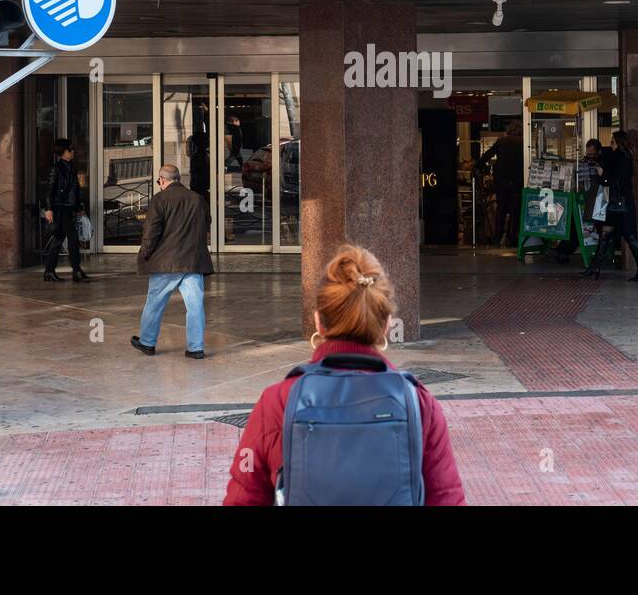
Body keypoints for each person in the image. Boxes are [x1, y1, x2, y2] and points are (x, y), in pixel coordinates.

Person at [223, 245, 466, 506]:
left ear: (318, 321)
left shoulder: (277, 402)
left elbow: (242, 498)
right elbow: (447, 498)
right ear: (386, 325)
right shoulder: (418, 403)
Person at [131, 164, 214, 359]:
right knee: (195, 306)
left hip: (166, 263)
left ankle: (147, 342)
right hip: (193, 261)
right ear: (178, 178)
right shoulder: (197, 199)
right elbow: (206, 225)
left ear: (162, 180)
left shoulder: (159, 199)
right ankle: (196, 348)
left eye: (159, 181)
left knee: (154, 303)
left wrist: (144, 254)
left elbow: (151, 232)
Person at [582, 131, 638, 281]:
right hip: (617, 204)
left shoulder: (622, 159)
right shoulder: (618, 157)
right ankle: (595, 267)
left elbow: (618, 182)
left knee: (630, 236)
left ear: (619, 143)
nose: (610, 144)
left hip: (622, 204)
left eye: (612, 142)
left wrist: (603, 174)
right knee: (606, 233)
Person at [43, 139, 90, 283]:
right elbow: (50, 190)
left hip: (68, 208)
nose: (73, 151)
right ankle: (76, 270)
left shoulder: (71, 167)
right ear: (63, 152)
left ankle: (49, 271)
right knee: (73, 237)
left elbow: (74, 190)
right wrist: (49, 208)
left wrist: (78, 208)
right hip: (59, 208)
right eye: (70, 149)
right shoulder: (56, 168)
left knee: (57, 240)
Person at [479, 120, 524, 247]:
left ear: (509, 130)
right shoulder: (523, 143)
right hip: (517, 181)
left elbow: (487, 155)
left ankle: (497, 238)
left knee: (501, 209)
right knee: (516, 210)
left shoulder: (501, 141)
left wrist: (478, 167)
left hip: (501, 180)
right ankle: (512, 237)